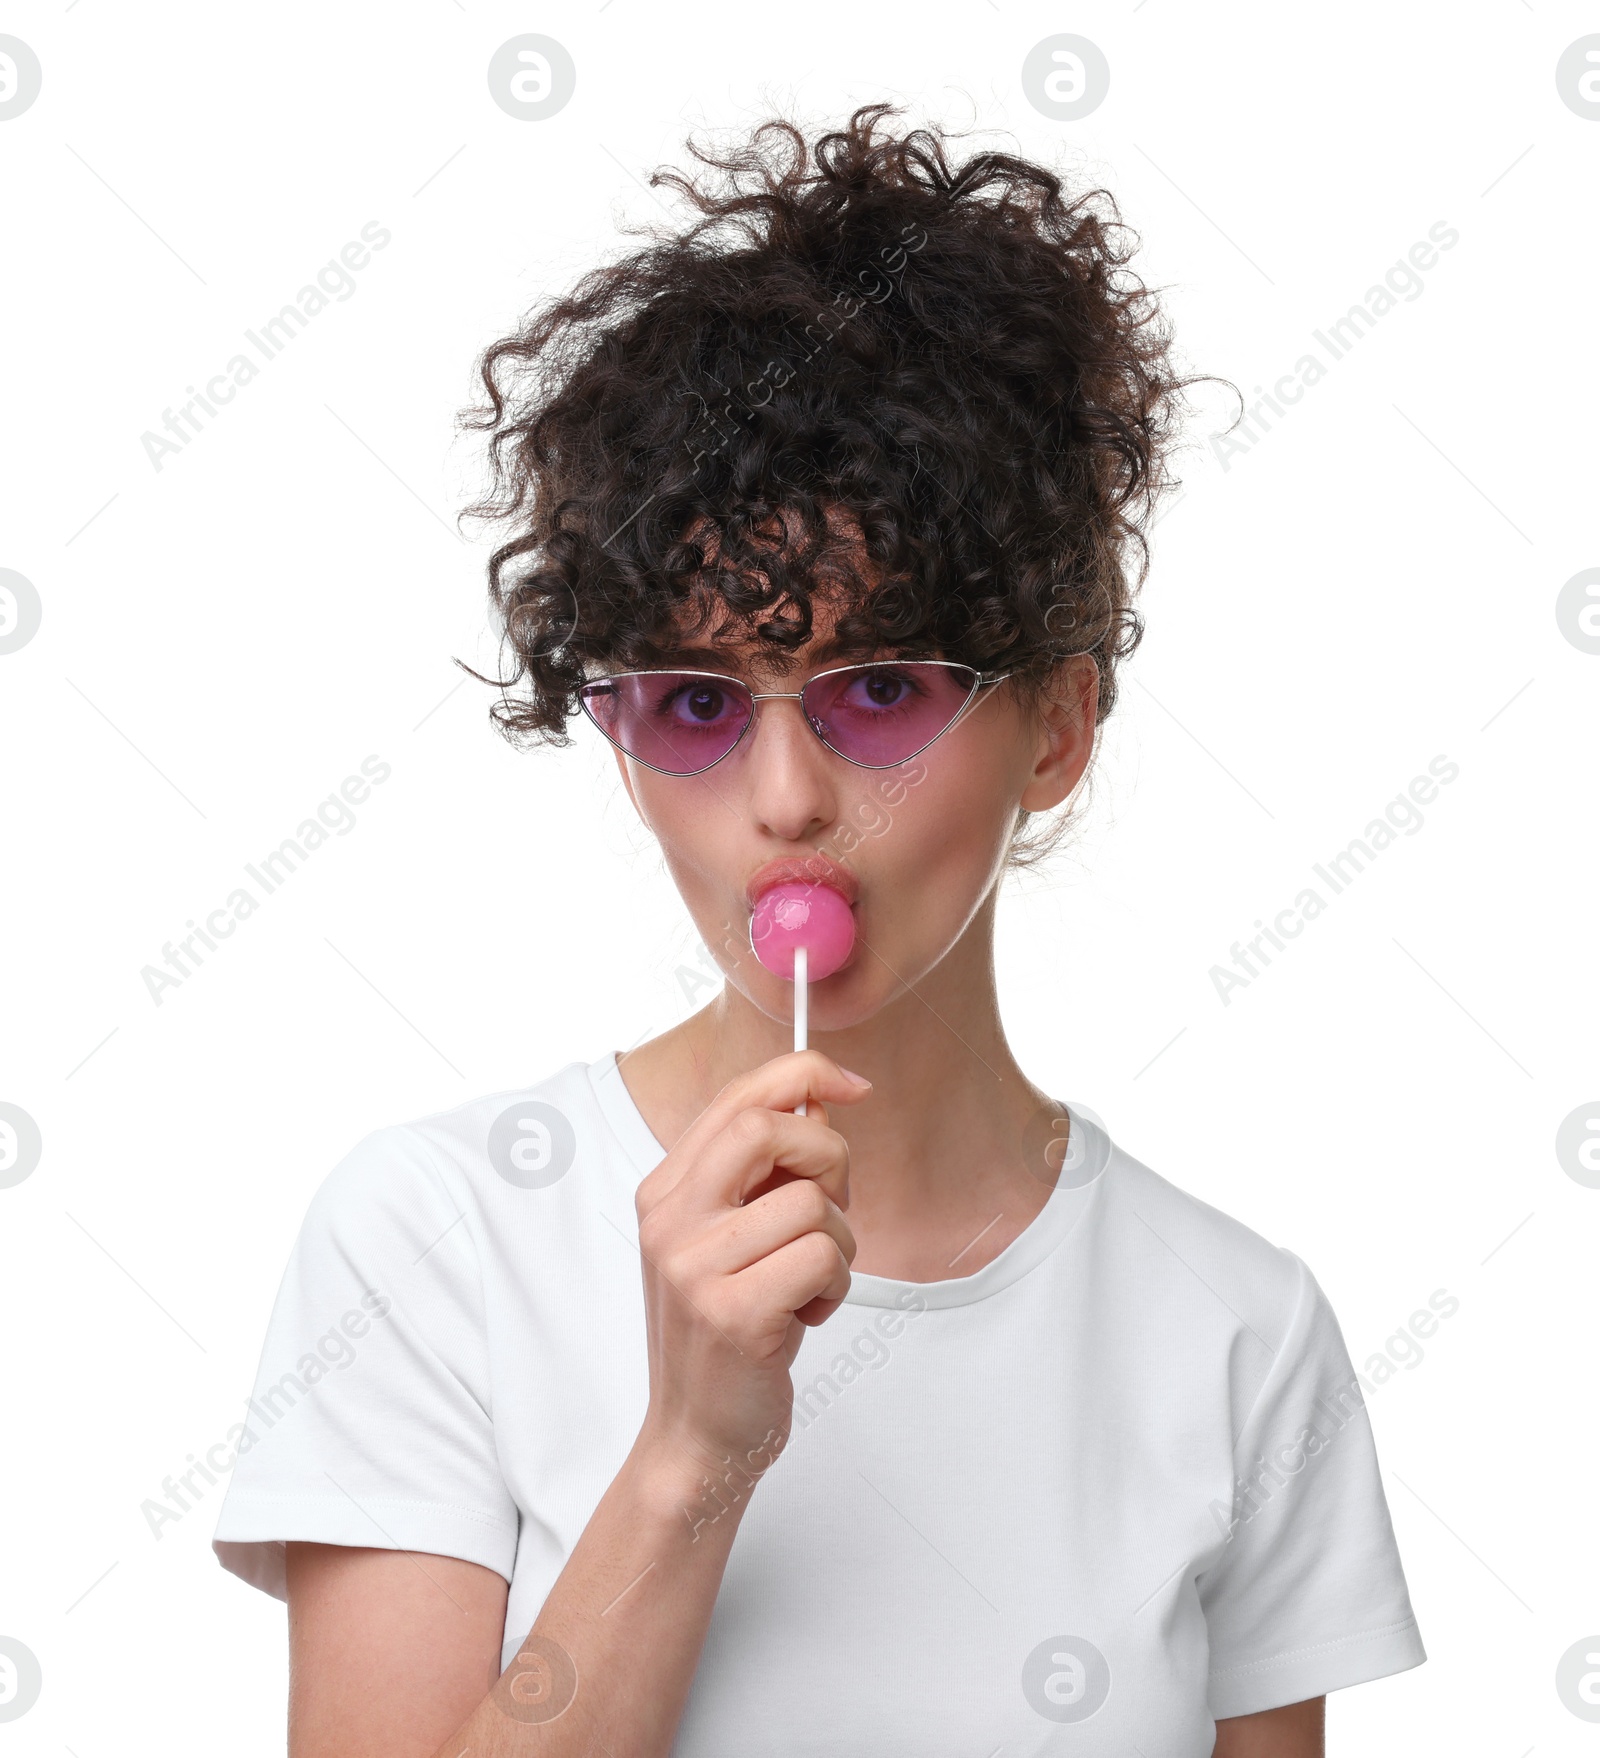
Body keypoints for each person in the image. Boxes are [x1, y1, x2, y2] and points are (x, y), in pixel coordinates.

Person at [212, 104, 1425, 1756]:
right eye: (698, 702)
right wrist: (690, 1461)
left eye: (877, 691)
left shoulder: (1237, 1334)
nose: (783, 798)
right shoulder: (433, 1243)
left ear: (1057, 724)